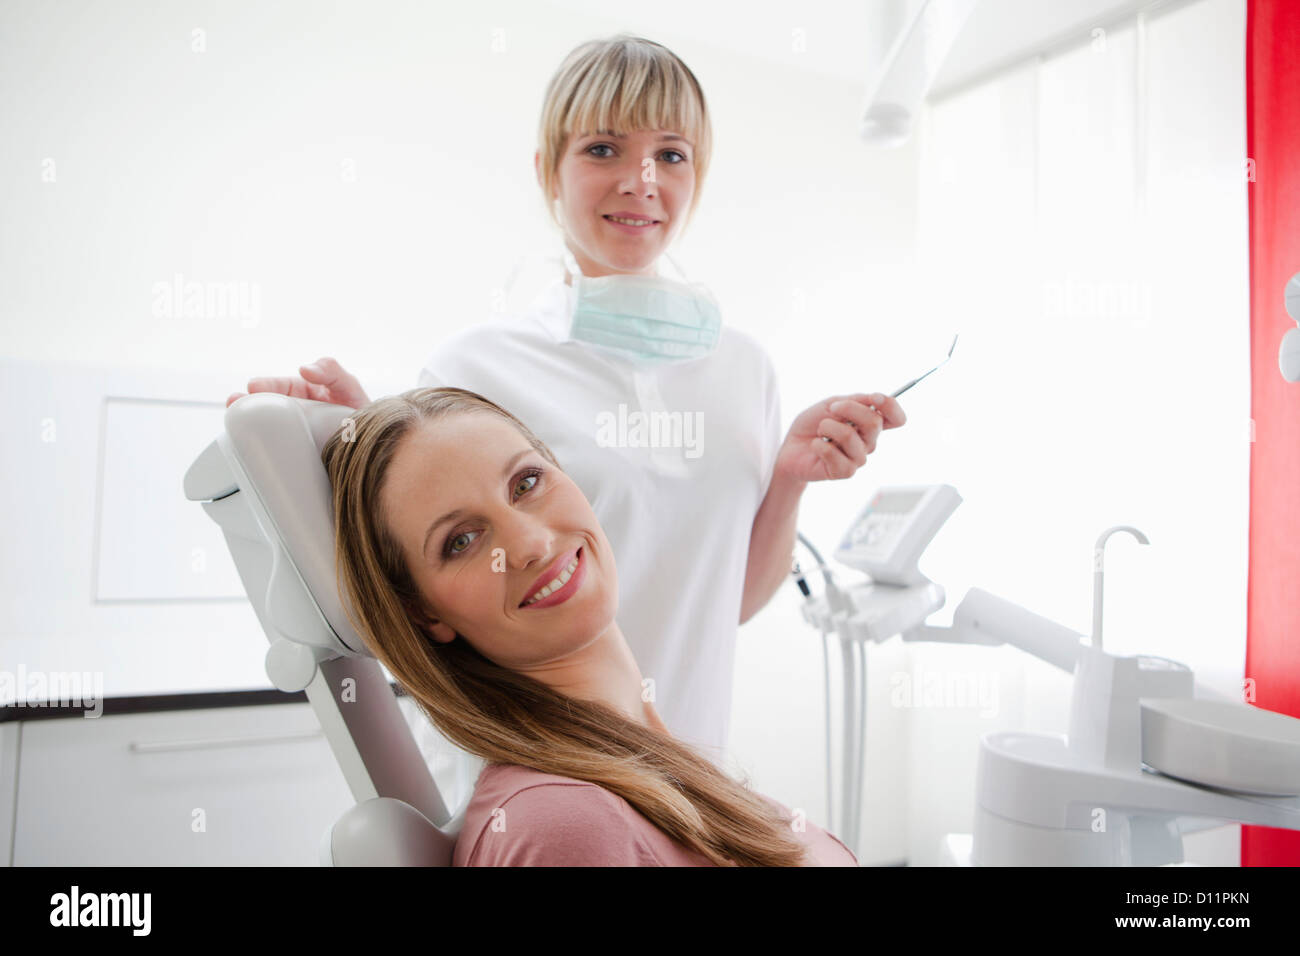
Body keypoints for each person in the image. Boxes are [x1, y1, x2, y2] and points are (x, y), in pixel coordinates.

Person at [228, 34, 905, 765]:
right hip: (539, 770)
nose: (641, 180)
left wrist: (791, 480)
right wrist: (371, 446)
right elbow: (424, 597)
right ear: (549, 169)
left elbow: (721, 605)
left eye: (671, 154)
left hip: (688, 766)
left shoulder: (744, 370)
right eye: (604, 149)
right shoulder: (478, 366)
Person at [321, 385, 858, 866]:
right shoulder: (563, 828)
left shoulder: (644, 768)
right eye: (461, 540)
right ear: (424, 612)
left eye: (527, 482)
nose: (531, 543)